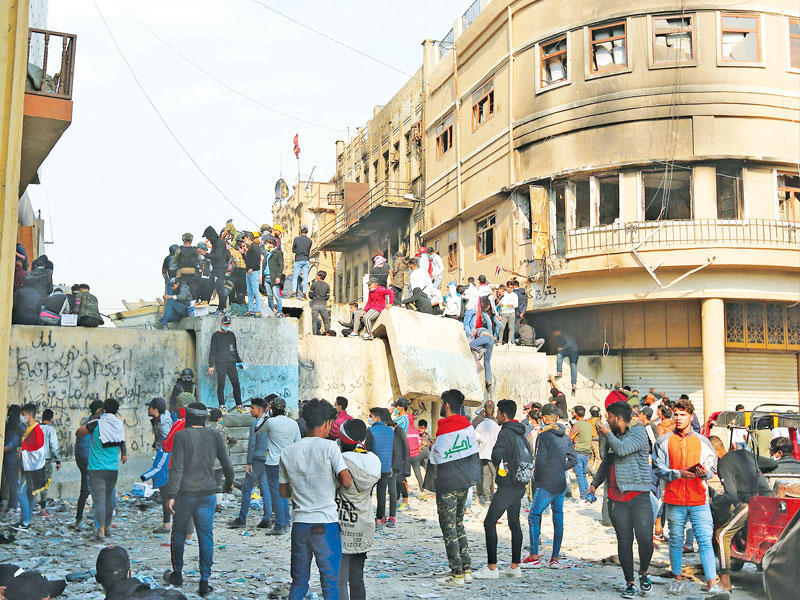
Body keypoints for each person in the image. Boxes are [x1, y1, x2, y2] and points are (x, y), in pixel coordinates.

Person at [279, 399, 352, 600]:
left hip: (301, 524)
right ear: (328, 423)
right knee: (330, 583)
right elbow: (346, 481)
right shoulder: (330, 448)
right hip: (325, 524)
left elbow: (284, 493)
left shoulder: (288, 451)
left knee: (299, 581)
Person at [652, 398, 725, 596]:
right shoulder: (663, 441)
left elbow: (712, 469)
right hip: (674, 499)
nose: (678, 418)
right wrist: (678, 473)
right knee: (676, 539)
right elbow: (658, 468)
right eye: (676, 414)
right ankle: (677, 579)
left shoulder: (703, 442)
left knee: (704, 541)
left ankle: (712, 582)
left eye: (682, 415)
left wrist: (704, 472)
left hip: (699, 500)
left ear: (690, 417)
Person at [162, 403, 234, 597]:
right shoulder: (214, 435)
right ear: (204, 418)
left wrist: (170, 495)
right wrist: (230, 482)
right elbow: (226, 462)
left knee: (178, 533)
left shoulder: (181, 436)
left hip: (185, 494)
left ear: (188, 418)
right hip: (207, 493)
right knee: (206, 536)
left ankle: (177, 574)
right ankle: (204, 581)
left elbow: (177, 468)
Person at [589, 401, 654, 599]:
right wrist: (594, 484)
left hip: (638, 494)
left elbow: (623, 449)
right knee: (624, 540)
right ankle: (630, 582)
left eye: (609, 417)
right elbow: (605, 459)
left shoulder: (638, 433)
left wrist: (607, 433)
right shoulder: (613, 436)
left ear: (617, 418)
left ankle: (643, 571)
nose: (606, 420)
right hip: (616, 498)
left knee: (645, 538)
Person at [473, 399, 530, 580]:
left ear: (504, 414)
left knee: (489, 522)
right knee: (514, 523)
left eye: (498, 413)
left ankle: (492, 568)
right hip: (520, 484)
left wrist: (502, 470)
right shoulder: (522, 432)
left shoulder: (505, 432)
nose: (497, 416)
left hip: (507, 485)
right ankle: (515, 566)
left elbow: (496, 454)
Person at [431, 389, 481, 587]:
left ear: (447, 404)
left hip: (447, 483)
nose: (442, 407)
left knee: (448, 526)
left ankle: (456, 574)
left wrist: (433, 447)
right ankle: (466, 569)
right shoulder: (467, 426)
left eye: (442, 403)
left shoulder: (445, 427)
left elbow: (438, 457)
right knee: (459, 523)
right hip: (464, 481)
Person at [708, 435, 771, 592]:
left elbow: (731, 496)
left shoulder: (723, 465)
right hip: (767, 501)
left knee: (722, 535)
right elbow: (772, 463)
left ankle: (725, 582)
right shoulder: (745, 453)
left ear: (712, 452)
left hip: (749, 505)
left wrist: (716, 502)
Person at [522, 403, 577, 569]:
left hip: (546, 482)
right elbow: (573, 460)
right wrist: (559, 468)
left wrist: (538, 478)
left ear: (544, 418)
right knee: (558, 519)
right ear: (558, 418)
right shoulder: (566, 437)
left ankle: (534, 556)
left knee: (534, 515)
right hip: (560, 482)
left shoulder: (543, 436)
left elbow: (539, 461)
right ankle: (554, 559)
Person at [336, 419, 381, 600]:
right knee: (357, 579)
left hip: (342, 525)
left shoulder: (341, 461)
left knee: (339, 579)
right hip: (364, 524)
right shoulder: (374, 460)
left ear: (344, 440)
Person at [76, 398, 128, 542]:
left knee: (99, 500)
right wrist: (124, 454)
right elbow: (122, 442)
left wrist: (96, 417)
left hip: (96, 469)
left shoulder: (96, 423)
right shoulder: (118, 424)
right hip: (112, 468)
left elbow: (79, 432)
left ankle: (100, 531)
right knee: (109, 500)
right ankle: (108, 527)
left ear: (103, 409)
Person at [229, 397, 273, 529]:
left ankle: (242, 518)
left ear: (259, 409)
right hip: (267, 459)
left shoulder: (256, 423)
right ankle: (267, 518)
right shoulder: (270, 422)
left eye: (252, 408)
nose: (250, 410)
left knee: (247, 489)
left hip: (256, 460)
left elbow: (252, 444)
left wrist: (248, 462)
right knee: (265, 489)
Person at [264, 397, 301, 536]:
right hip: (289, 462)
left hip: (274, 462)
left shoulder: (270, 422)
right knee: (285, 493)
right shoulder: (293, 423)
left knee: (277, 494)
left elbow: (257, 429)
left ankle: (280, 524)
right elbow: (298, 442)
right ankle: (286, 522)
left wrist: (266, 413)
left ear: (272, 409)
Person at [14, 404, 46, 531]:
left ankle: (26, 522)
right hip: (27, 466)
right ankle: (25, 520)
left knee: (20, 492)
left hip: (32, 469)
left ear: (30, 415)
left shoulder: (36, 431)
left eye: (23, 414)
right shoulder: (27, 429)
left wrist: (23, 451)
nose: (22, 417)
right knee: (30, 494)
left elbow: (38, 451)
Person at [72, 400, 103, 529]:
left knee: (85, 491)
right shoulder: (95, 425)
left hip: (85, 461)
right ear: (98, 411)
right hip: (90, 462)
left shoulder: (89, 423)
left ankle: (79, 519)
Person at [208, 315, 245, 412]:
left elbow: (234, 349)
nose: (226, 325)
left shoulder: (231, 335)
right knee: (221, 384)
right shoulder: (216, 336)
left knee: (236, 384)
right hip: (220, 364)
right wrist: (211, 365)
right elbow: (212, 351)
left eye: (228, 324)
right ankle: (222, 405)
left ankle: (239, 405)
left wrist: (239, 362)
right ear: (221, 323)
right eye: (225, 323)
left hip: (231, 363)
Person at [365, 407, 395, 526]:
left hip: (373, 467)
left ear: (377, 418)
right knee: (381, 494)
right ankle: (379, 519)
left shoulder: (370, 430)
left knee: (368, 493)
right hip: (386, 467)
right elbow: (392, 449)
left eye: (371, 416)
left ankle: (366, 516)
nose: (369, 418)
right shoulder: (390, 431)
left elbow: (368, 449)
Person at [474, 403, 501, 507]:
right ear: (493, 412)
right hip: (493, 454)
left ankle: (486, 498)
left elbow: (475, 440)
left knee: (486, 475)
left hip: (482, 454)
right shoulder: (496, 426)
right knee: (495, 476)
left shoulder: (479, 425)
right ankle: (494, 497)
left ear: (484, 412)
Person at [202, 226, 231, 314]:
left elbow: (217, 257)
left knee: (220, 289)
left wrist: (205, 254)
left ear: (211, 235)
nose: (207, 239)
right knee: (209, 288)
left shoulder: (220, 243)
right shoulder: (215, 243)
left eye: (207, 237)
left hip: (220, 269)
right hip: (215, 269)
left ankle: (221, 309)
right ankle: (204, 307)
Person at [2, 406, 23, 515]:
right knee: (13, 482)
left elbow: (11, 445)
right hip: (11, 457)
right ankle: (12, 505)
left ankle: (13, 505)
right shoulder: (18, 426)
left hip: (11, 458)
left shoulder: (13, 427)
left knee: (13, 482)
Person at [38, 409, 60, 514]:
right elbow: (54, 447)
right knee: (45, 485)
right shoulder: (51, 430)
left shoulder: (35, 428)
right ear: (51, 419)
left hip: (34, 460)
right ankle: (42, 509)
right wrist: (58, 460)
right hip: (46, 461)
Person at [569, 405, 593, 502]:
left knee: (579, 475)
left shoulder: (577, 425)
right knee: (583, 475)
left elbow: (570, 437)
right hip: (587, 452)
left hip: (578, 452)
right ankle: (588, 497)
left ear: (576, 414)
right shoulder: (588, 424)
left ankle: (583, 497)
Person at [263, 238, 285, 317]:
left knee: (276, 295)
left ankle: (279, 311)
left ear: (271, 244)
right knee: (269, 296)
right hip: (266, 278)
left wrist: (278, 276)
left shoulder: (278, 252)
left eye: (267, 243)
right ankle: (271, 311)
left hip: (274, 277)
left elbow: (281, 265)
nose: (266, 245)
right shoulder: (268, 254)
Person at [552, 328, 579, 393]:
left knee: (573, 366)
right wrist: (559, 350)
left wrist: (562, 348)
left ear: (557, 331)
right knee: (559, 355)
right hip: (566, 351)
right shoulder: (558, 337)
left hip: (573, 350)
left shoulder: (565, 334)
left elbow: (569, 343)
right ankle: (559, 372)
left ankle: (574, 384)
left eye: (554, 333)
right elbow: (559, 346)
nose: (553, 335)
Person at [291, 226, 313, 299]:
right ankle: (304, 293)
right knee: (305, 277)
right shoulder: (310, 241)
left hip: (298, 259)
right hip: (306, 260)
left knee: (295, 277)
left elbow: (293, 250)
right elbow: (308, 250)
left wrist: (298, 251)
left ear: (300, 231)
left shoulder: (296, 239)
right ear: (307, 232)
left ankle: (294, 292)